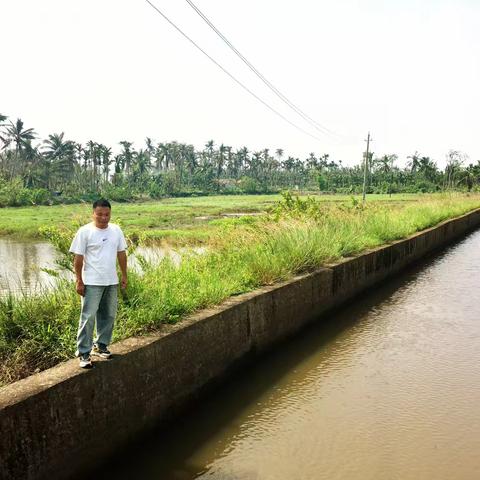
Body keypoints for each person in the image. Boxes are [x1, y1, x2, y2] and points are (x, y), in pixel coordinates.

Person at [69, 199, 128, 368]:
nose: (103, 217)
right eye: (100, 214)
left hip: (111, 281)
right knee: (88, 317)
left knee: (108, 315)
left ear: (110, 214)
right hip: (91, 282)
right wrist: (79, 280)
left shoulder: (116, 230)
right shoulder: (85, 232)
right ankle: (84, 353)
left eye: (107, 214)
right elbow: (78, 259)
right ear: (93, 213)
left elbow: (121, 253)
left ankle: (101, 345)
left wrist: (124, 275)